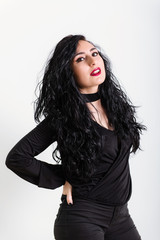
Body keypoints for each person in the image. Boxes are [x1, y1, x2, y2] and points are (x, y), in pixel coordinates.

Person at [6, 34, 146, 240]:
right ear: (68, 72)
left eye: (94, 53)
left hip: (122, 218)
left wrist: (73, 173)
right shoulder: (64, 118)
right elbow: (17, 157)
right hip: (82, 219)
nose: (92, 61)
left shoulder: (117, 108)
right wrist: (67, 175)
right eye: (80, 59)